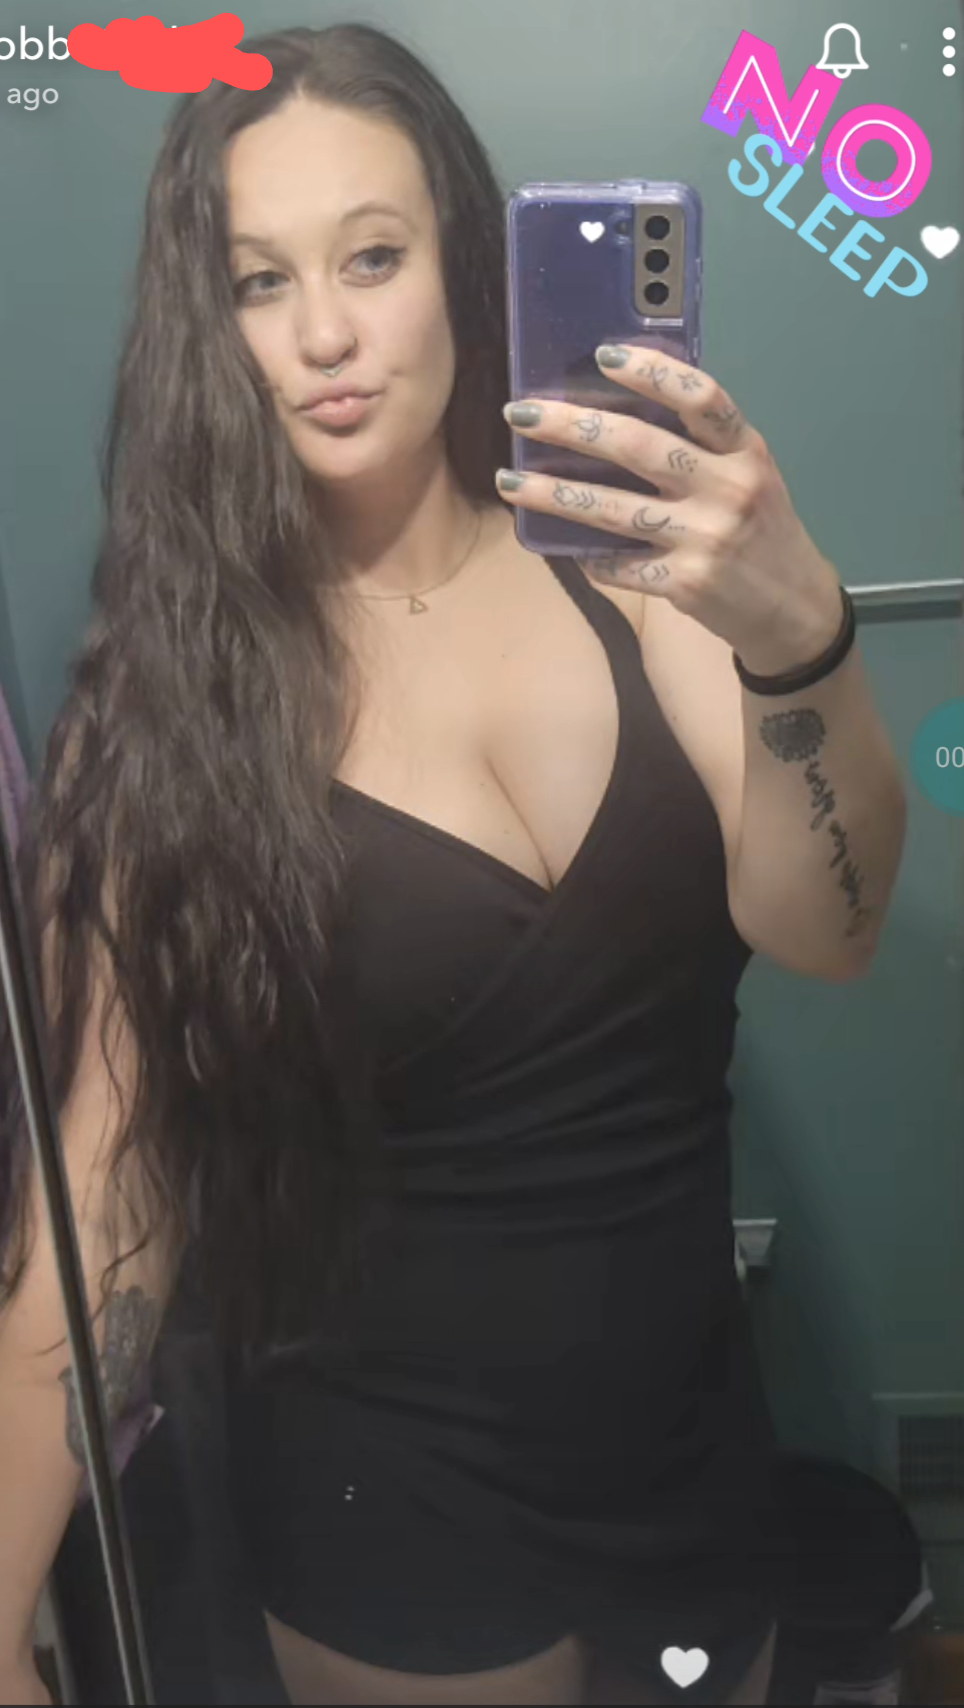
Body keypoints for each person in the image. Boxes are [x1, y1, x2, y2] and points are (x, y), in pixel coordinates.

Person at [0, 21, 907, 1708]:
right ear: (209, 323)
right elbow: (106, 1188)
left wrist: (802, 641)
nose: (324, 335)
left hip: (693, 1462)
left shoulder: (635, 573)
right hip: (386, 1504)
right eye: (260, 282)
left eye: (372, 257)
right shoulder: (181, 699)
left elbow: (828, 927)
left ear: (462, 263)